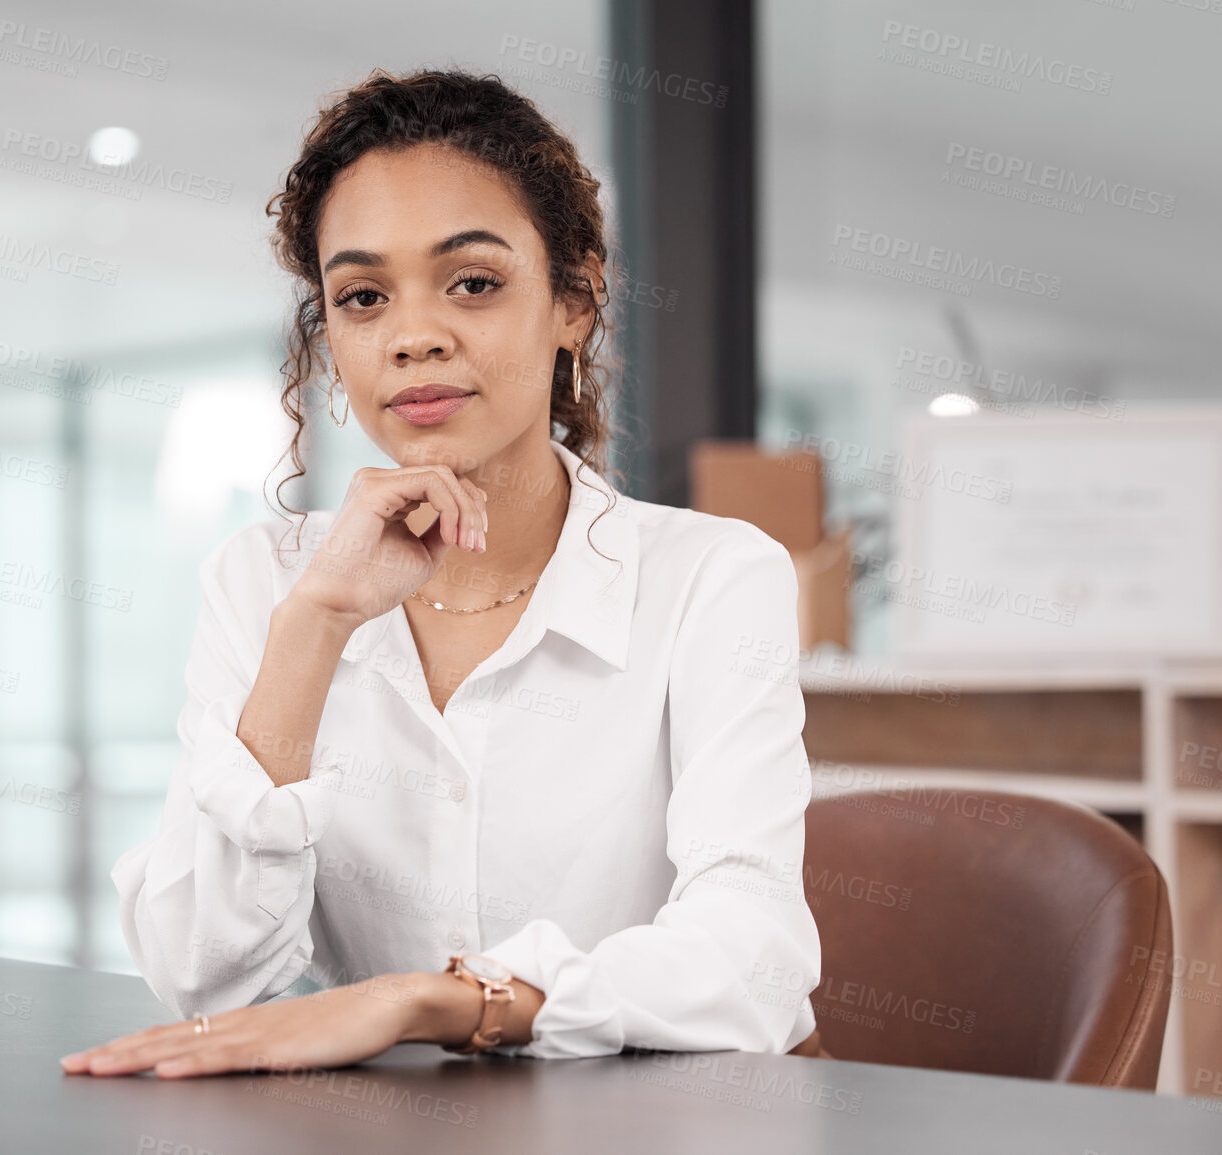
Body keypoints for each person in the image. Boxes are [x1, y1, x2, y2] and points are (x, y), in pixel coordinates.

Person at [62, 67, 819, 1080]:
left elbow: (756, 958)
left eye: (473, 282)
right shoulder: (266, 581)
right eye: (364, 296)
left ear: (575, 303)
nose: (414, 335)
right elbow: (204, 976)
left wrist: (438, 1003)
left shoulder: (712, 579)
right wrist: (315, 625)